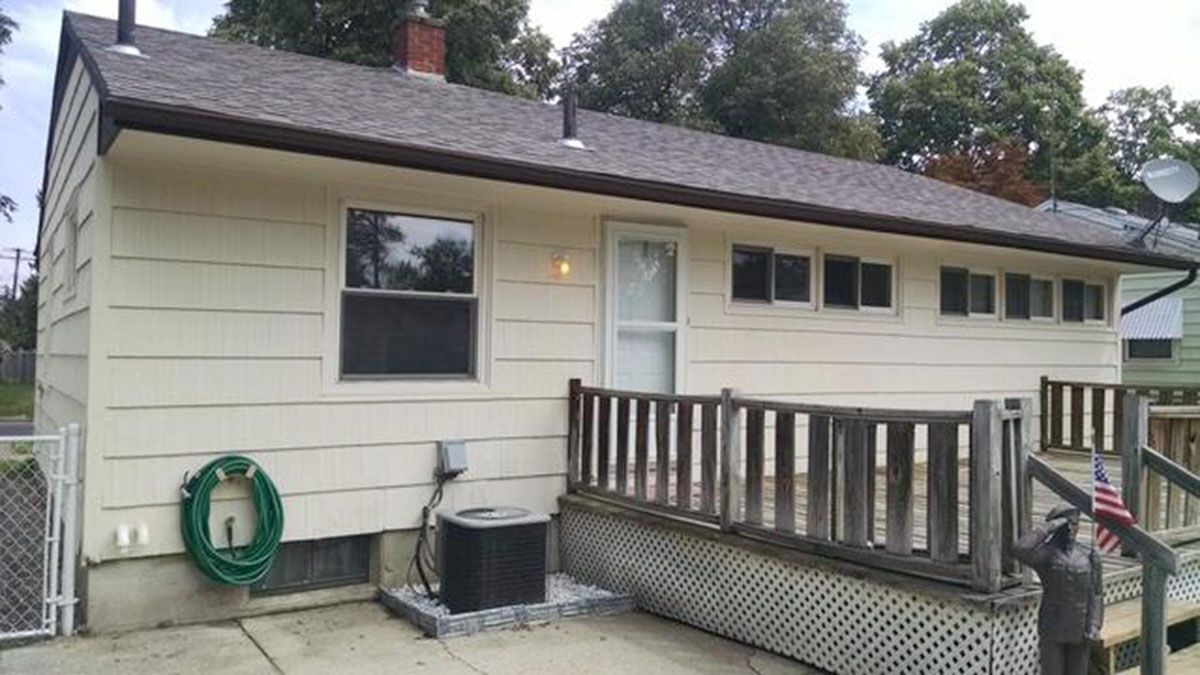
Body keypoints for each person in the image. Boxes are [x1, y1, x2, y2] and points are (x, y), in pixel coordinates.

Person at [1013, 505, 1104, 675]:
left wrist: (1094, 625)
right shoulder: (1047, 554)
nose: (1071, 528)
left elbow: (1097, 594)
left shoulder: (1088, 556)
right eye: (1066, 524)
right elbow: (1020, 549)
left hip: (1080, 628)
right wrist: (1050, 527)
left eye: (1075, 524)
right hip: (1052, 627)